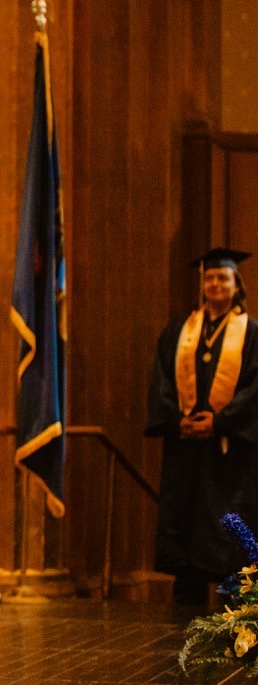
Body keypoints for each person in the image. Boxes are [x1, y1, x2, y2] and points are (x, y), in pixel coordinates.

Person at [147, 247, 258, 605]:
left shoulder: (252, 333)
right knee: (185, 524)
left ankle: (235, 613)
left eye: (222, 277)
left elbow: (254, 389)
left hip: (230, 452)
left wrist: (221, 422)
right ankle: (184, 609)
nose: (215, 284)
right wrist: (178, 421)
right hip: (187, 447)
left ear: (236, 284)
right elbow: (162, 381)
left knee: (228, 529)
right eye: (209, 278)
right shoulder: (180, 332)